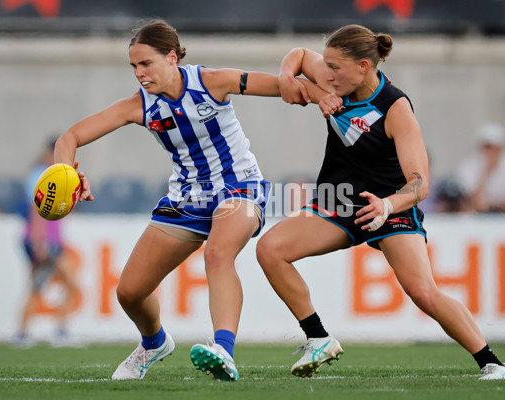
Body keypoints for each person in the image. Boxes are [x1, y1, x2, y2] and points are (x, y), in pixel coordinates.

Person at [53, 20, 312, 382]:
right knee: (130, 291)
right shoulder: (139, 106)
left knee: (218, 253)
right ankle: (154, 342)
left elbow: (284, 87)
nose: (139, 74)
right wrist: (67, 172)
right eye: (134, 66)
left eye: (146, 64)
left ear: (172, 57)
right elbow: (70, 136)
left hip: (239, 187)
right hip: (187, 199)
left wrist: (333, 95)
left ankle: (223, 347)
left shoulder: (212, 82)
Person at [256, 24, 505, 380]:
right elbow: (299, 56)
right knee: (270, 249)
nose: (326, 74)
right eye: (326, 66)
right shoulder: (335, 78)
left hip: (390, 204)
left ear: (363, 66)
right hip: (342, 199)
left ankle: (493, 363)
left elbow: (420, 185)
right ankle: (318, 337)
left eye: (334, 68)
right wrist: (288, 77)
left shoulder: (395, 109)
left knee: (423, 292)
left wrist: (387, 206)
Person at [16, 139, 79, 345]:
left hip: (45, 239)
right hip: (44, 241)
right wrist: (39, 242)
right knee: (65, 283)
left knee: (38, 286)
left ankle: (24, 334)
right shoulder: (44, 174)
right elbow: (36, 211)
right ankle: (56, 332)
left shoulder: (46, 173)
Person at [455, 122, 505, 213]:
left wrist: (490, 207)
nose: (492, 152)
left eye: (496, 148)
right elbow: (468, 201)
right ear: (480, 148)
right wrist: (486, 173)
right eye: (488, 147)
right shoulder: (468, 166)